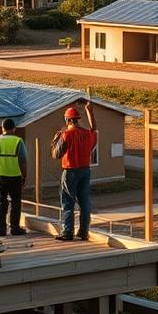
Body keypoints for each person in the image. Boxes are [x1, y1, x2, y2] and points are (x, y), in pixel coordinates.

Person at [52, 100, 97, 241]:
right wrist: (90, 111)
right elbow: (93, 131)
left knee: (67, 202)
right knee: (84, 202)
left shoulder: (66, 135)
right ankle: (83, 232)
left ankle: (67, 232)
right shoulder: (87, 134)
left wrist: (55, 140)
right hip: (85, 171)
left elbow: (56, 154)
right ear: (77, 119)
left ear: (67, 120)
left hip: (70, 171)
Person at [0, 118, 28, 236]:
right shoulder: (18, 141)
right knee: (16, 203)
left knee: (0, 202)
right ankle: (15, 228)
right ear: (14, 129)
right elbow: (23, 161)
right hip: (15, 176)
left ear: (2, 128)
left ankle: (1, 229)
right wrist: (24, 176)